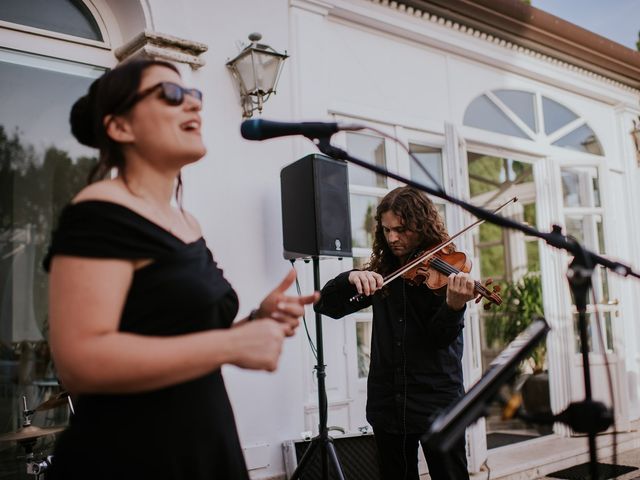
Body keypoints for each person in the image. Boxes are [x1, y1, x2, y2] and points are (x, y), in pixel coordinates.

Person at [43, 59, 318, 480]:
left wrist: (258, 320)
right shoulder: (100, 211)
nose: (193, 105)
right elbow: (81, 363)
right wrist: (232, 346)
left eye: (195, 95)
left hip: (204, 444)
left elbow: (180, 337)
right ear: (120, 128)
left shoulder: (186, 223)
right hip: (131, 456)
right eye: (171, 95)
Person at [314, 186, 476, 480]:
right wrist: (349, 277)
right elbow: (326, 306)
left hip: (436, 402)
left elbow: (441, 340)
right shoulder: (381, 273)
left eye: (401, 230)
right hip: (389, 403)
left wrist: (453, 307)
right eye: (386, 230)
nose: (392, 238)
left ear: (422, 226)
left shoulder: (446, 272)